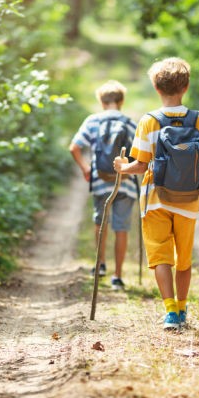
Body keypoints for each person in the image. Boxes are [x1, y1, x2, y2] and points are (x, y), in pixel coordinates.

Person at [113, 57, 199, 330]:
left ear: (156, 88)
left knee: (161, 256)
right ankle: (184, 308)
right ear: (186, 87)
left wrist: (122, 168)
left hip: (155, 199)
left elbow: (140, 165)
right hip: (189, 200)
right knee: (184, 259)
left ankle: (170, 311)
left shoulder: (149, 121)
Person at [70, 80, 138, 290]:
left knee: (100, 223)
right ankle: (117, 276)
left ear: (101, 101)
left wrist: (85, 169)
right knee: (122, 227)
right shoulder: (128, 122)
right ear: (121, 101)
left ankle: (100, 265)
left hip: (100, 181)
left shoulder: (92, 121)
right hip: (124, 182)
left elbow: (74, 147)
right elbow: (141, 152)